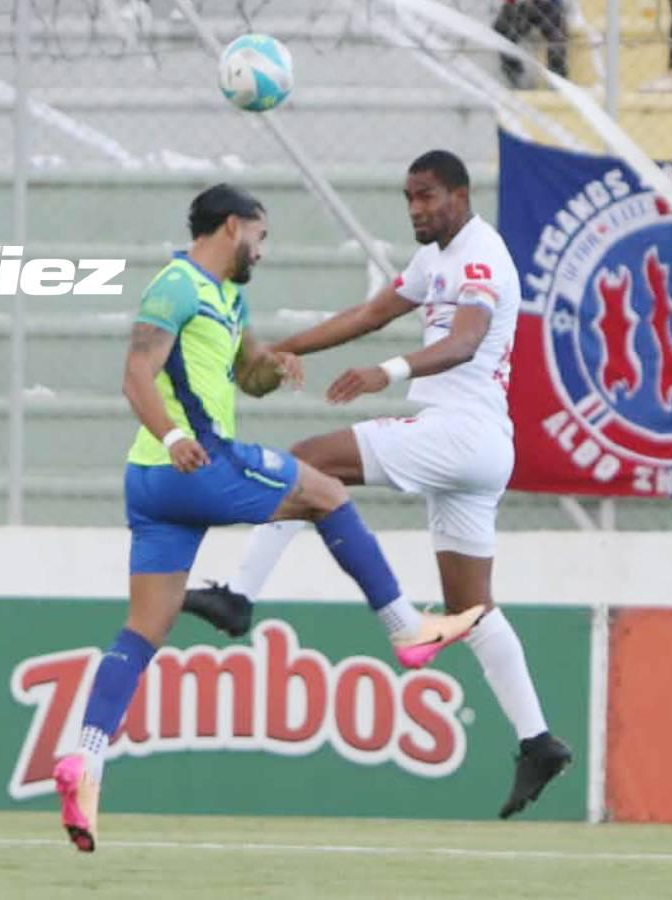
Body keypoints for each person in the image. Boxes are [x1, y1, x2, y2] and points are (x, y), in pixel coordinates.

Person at [53, 184, 485, 853]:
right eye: (261, 235)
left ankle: (84, 760)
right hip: (194, 465)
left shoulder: (226, 298)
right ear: (233, 227)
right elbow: (137, 375)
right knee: (326, 494)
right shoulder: (175, 286)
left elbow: (242, 374)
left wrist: (274, 367)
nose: (264, 248)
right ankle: (406, 629)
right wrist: (175, 438)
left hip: (153, 485)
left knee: (144, 628)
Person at [182, 151, 573, 819]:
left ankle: (239, 597)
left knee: (307, 460)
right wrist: (285, 350)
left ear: (458, 193)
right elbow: (368, 314)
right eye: (408, 198)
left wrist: (383, 373)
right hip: (477, 446)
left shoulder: (482, 257)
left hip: (462, 432)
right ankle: (538, 742)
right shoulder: (435, 259)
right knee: (471, 609)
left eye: (427, 197)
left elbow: (465, 342)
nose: (417, 209)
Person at [493, 0, 569, 88]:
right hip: (518, 5)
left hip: (547, 4)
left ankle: (557, 77)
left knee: (557, 36)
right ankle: (516, 74)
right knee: (502, 31)